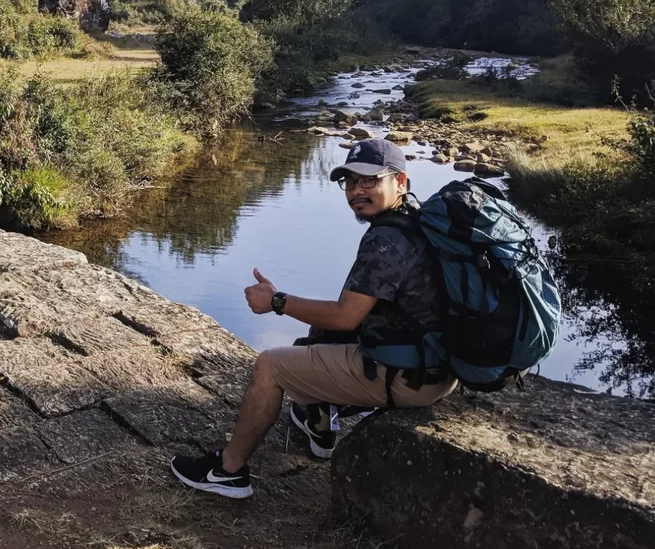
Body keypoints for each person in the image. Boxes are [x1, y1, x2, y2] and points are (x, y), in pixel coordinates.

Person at [169, 138, 457, 499]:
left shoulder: (385, 242)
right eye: (349, 182)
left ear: (399, 181)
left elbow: (347, 316)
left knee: (270, 366)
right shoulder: (416, 218)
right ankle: (319, 426)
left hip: (407, 379)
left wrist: (275, 301)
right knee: (318, 331)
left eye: (368, 180)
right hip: (434, 366)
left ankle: (228, 472)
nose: (356, 191)